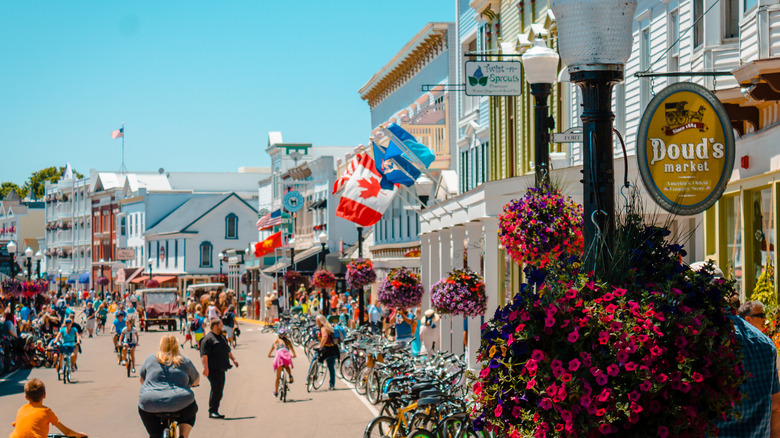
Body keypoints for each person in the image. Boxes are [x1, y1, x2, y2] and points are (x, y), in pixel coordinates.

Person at [138, 335, 200, 438]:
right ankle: (183, 435)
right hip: (180, 401)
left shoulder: (150, 359)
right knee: (190, 411)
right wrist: (191, 384)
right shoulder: (184, 361)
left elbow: (142, 379)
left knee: (154, 433)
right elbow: (196, 381)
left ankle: (155, 435)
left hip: (150, 402)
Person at [9, 378, 87, 438]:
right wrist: (79, 435)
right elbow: (67, 432)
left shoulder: (21, 410)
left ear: (26, 397)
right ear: (44, 395)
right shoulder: (46, 411)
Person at [200, 318, 238, 419]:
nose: (222, 326)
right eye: (221, 325)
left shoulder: (221, 337)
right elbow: (204, 355)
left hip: (222, 368)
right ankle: (212, 411)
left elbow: (227, 350)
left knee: (219, 390)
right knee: (216, 389)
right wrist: (206, 368)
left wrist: (234, 359)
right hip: (213, 369)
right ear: (215, 326)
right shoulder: (208, 339)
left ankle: (215, 410)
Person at [268, 328, 296, 397]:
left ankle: (276, 392)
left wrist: (269, 354)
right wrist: (294, 354)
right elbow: (292, 348)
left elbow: (272, 348)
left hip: (279, 356)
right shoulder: (288, 341)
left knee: (278, 377)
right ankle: (290, 375)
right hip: (286, 356)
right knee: (287, 366)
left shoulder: (277, 340)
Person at [315, 314, 339, 390]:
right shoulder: (329, 326)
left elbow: (325, 336)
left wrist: (320, 346)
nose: (316, 322)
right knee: (331, 367)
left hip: (328, 349)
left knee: (315, 359)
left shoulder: (323, 328)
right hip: (334, 349)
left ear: (320, 321)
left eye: (317, 321)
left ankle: (310, 376)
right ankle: (332, 384)